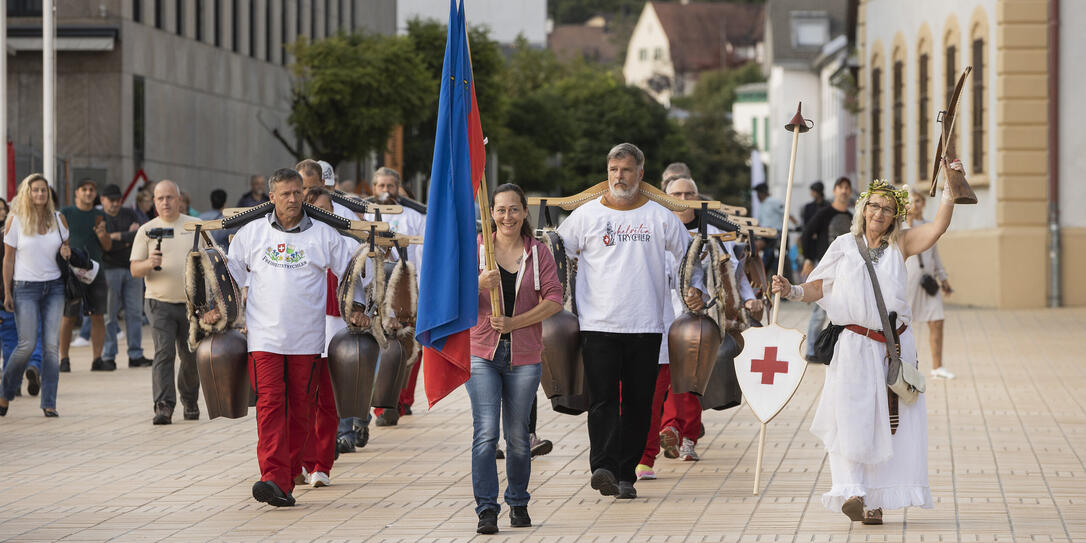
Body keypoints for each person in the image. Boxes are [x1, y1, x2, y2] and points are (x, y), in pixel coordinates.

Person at [769, 162, 965, 525]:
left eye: (887, 208)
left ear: (895, 216)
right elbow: (818, 286)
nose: (879, 213)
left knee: (890, 424)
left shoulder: (901, 244)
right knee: (851, 419)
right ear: (863, 208)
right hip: (853, 347)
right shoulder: (843, 245)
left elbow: (938, 227)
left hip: (892, 348)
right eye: (873, 205)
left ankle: (876, 500)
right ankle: (854, 491)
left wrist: (952, 188)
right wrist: (793, 290)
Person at [205, 168, 368, 507]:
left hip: (308, 340)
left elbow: (351, 271)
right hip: (263, 338)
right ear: (271, 198)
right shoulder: (251, 234)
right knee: (269, 406)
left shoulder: (324, 234)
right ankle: (272, 477)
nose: (293, 199)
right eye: (286, 194)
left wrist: (357, 305)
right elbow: (230, 279)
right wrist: (215, 308)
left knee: (301, 411)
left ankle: (284, 477)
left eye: (298, 193)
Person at [556, 143, 702, 500]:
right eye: (613, 170)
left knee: (638, 404)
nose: (618, 177)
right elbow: (557, 256)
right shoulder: (586, 216)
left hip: (646, 326)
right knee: (603, 401)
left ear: (640, 173)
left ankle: (626, 475)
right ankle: (603, 467)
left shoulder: (660, 216)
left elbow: (689, 258)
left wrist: (693, 290)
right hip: (598, 325)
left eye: (625, 170)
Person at [636, 177, 759, 479]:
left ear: (697, 196)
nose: (683, 198)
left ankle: (686, 436)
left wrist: (749, 299)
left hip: (700, 319)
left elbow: (732, 275)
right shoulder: (653, 227)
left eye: (688, 193)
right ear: (666, 197)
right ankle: (665, 434)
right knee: (658, 386)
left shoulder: (713, 233)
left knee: (689, 383)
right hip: (658, 319)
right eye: (676, 193)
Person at [469, 183, 562, 534]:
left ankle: (518, 501)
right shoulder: (478, 250)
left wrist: (514, 323)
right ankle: (486, 509)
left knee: (519, 437)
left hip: (523, 356)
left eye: (514, 209)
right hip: (481, 353)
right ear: (490, 213)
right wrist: (478, 283)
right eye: (500, 209)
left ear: (525, 213)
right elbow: (450, 294)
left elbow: (554, 299)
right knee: (486, 433)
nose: (507, 216)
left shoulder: (538, 253)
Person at [131, 181, 203, 425]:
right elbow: (134, 269)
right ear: (154, 202)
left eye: (170, 197)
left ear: (179, 199)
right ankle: (164, 406)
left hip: (191, 304)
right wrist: (149, 263)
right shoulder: (146, 230)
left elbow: (210, 263)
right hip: (158, 302)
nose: (165, 202)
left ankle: (190, 400)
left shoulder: (195, 227)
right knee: (164, 352)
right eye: (160, 198)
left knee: (191, 356)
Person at [0, 174, 69, 417]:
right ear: (27, 193)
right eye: (36, 190)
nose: (40, 194)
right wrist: (7, 291)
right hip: (25, 287)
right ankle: (5, 392)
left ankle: (49, 403)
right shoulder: (15, 220)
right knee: (26, 345)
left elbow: (65, 252)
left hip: (55, 287)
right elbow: (8, 259)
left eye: (44, 190)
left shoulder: (58, 219)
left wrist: (67, 251)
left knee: (51, 347)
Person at [364, 167, 426, 428]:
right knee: (376, 344)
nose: (385, 191)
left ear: (398, 188)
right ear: (373, 187)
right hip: (373, 286)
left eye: (390, 185)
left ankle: (400, 400)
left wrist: (420, 291)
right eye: (380, 185)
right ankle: (379, 403)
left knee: (407, 344)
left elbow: (422, 255)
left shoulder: (414, 216)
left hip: (405, 286)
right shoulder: (363, 215)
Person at [297, 188, 342, 487]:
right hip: (299, 331)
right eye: (313, 209)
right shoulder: (291, 242)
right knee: (301, 402)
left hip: (335, 329)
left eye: (324, 209)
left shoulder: (343, 241)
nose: (319, 215)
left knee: (328, 401)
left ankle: (321, 465)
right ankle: (301, 460)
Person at [59, 178, 112, 372]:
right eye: (84, 189)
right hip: (71, 272)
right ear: (77, 193)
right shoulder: (66, 213)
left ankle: (97, 359)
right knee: (68, 316)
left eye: (91, 189)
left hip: (95, 271)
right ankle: (64, 359)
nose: (88, 193)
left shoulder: (100, 215)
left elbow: (107, 247)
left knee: (97, 315)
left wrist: (102, 235)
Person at [800, 177, 854, 361]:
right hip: (826, 268)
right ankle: (811, 351)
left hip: (845, 271)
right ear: (834, 191)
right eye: (841, 187)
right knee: (819, 311)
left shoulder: (851, 217)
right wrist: (808, 257)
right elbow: (807, 233)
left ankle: (831, 349)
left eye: (847, 187)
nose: (844, 191)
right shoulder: (824, 213)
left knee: (839, 310)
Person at [99, 184, 151, 369]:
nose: (115, 204)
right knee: (109, 315)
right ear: (102, 200)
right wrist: (125, 239)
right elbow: (103, 244)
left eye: (118, 200)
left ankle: (135, 354)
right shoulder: (99, 216)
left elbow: (140, 234)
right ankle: (108, 355)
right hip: (109, 269)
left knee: (135, 313)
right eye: (111, 200)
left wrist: (114, 237)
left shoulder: (129, 214)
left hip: (132, 268)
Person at [904, 186, 954, 379]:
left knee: (937, 321)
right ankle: (903, 366)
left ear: (923, 203)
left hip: (928, 281)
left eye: (918, 201)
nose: (914, 205)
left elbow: (935, 255)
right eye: (910, 201)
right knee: (902, 324)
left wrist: (943, 278)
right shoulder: (901, 227)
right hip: (908, 281)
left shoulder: (930, 226)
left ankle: (937, 366)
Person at [0, 197, 44, 396]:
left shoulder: (8, 234)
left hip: (7, 294)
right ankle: (33, 365)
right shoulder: (36, 236)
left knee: (11, 340)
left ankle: (12, 382)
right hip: (30, 291)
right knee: (32, 335)